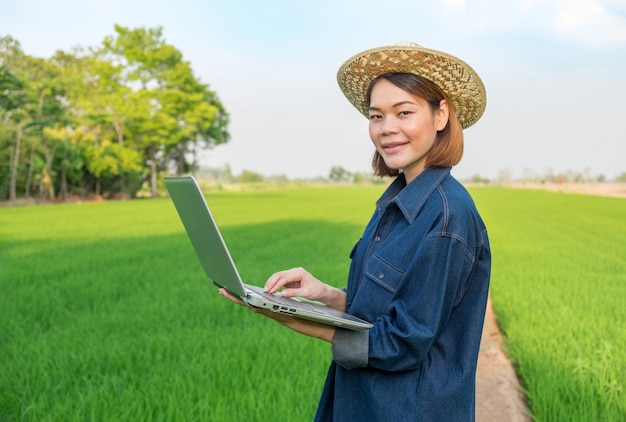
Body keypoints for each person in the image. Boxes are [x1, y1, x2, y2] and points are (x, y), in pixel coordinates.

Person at [220, 42, 491, 421]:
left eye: (404, 112)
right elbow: (384, 310)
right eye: (376, 116)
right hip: (361, 402)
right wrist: (324, 295)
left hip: (407, 410)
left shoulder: (447, 217)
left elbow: (402, 341)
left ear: (441, 114)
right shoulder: (396, 203)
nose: (387, 129)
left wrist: (294, 317)